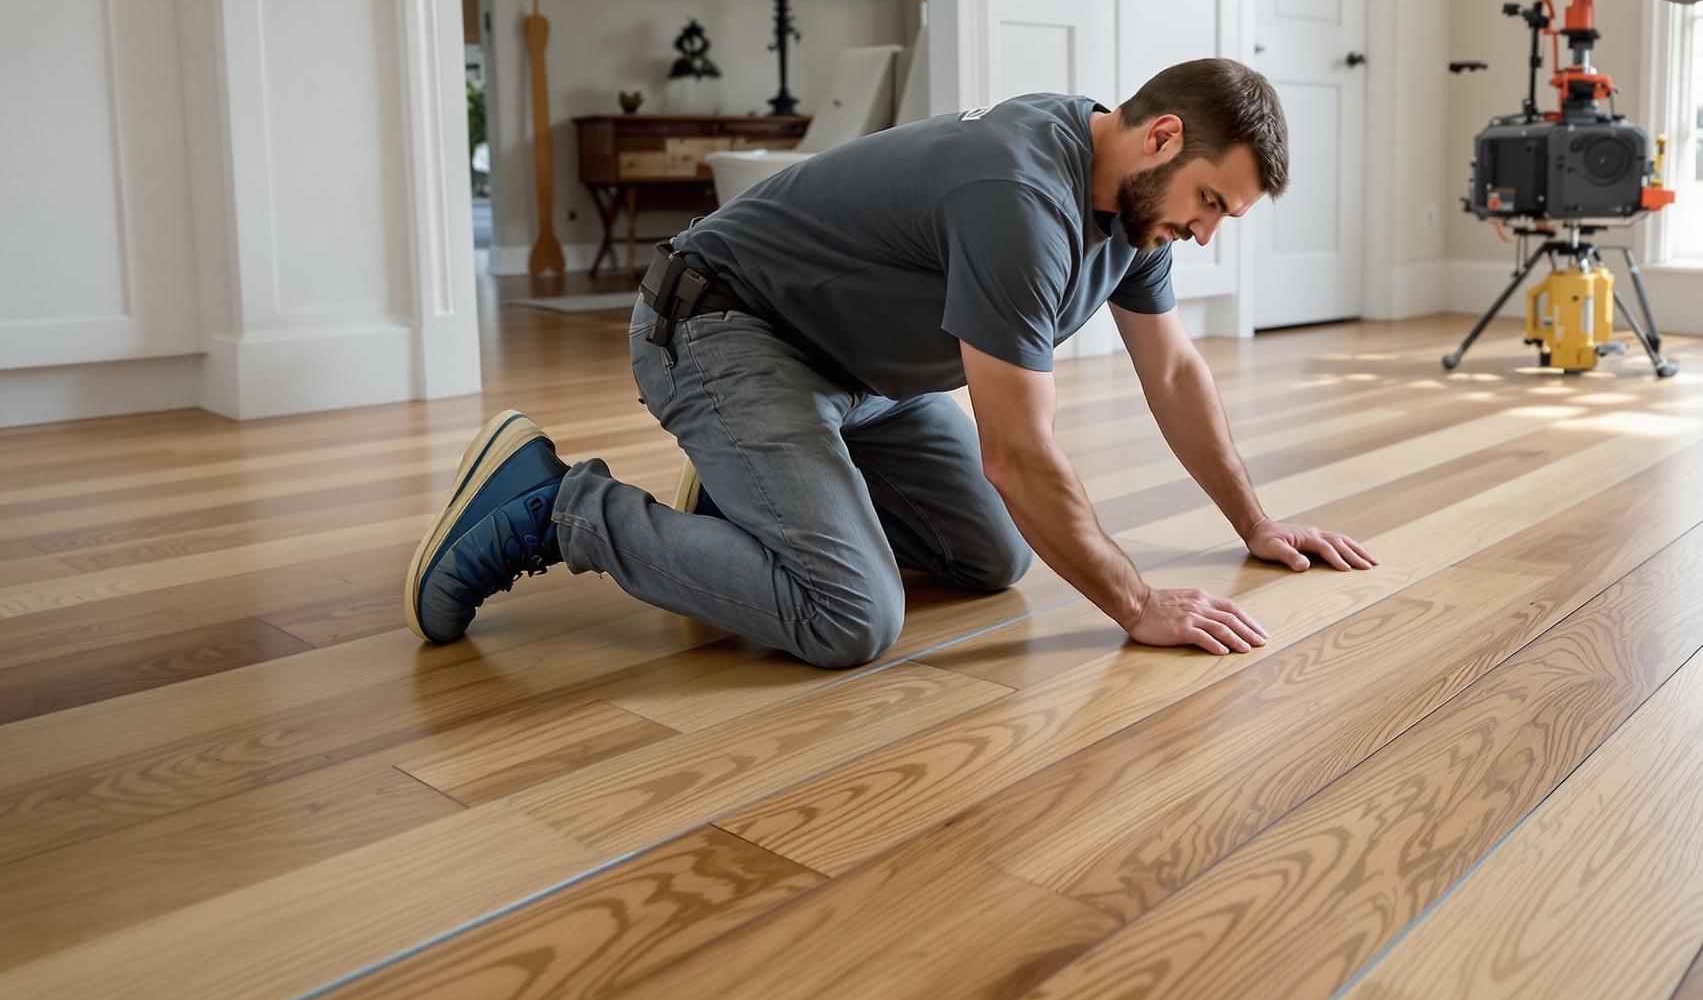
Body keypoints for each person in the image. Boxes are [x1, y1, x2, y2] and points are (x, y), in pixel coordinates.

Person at [405, 59, 1376, 664]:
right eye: (1209, 202)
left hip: (859, 378)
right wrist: (1136, 600)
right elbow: (1018, 454)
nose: (1205, 233)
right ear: (1162, 136)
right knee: (849, 617)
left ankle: (748, 493)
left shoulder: (1133, 206)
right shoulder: (1021, 198)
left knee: (991, 557)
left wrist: (1255, 521)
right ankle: (549, 505)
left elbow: (1172, 374)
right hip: (722, 328)